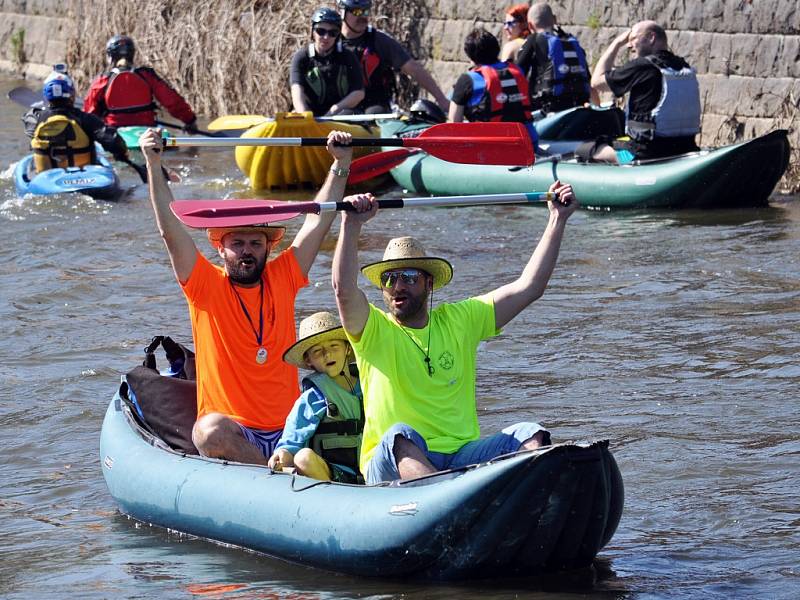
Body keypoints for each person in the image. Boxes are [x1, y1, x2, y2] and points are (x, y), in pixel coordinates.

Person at [332, 182, 578, 484]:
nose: (398, 286)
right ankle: (448, 499)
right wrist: (350, 223)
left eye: (409, 277)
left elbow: (529, 288)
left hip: (461, 458)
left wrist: (557, 219)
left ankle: (523, 504)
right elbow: (343, 290)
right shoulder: (372, 328)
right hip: (389, 463)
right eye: (390, 278)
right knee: (400, 435)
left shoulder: (459, 319)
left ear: (429, 283)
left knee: (530, 433)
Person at [138, 127, 358, 465]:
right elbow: (170, 230)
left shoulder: (282, 276)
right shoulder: (203, 285)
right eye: (237, 243)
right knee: (207, 431)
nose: (246, 251)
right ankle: (271, 477)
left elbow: (319, 220)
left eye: (255, 243)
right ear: (220, 249)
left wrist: (340, 164)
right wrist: (153, 164)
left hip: (292, 427)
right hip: (237, 433)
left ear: (268, 247)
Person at [586, 20, 701, 163]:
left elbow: (596, 82)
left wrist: (617, 43)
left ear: (651, 37)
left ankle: (617, 161)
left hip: (647, 152)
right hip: (686, 147)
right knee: (620, 140)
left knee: (589, 149)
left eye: (633, 38)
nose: (629, 45)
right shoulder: (684, 66)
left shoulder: (642, 66)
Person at [268, 311, 363, 483]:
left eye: (334, 346)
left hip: (374, 468)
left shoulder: (370, 382)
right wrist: (282, 455)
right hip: (336, 475)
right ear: (309, 361)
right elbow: (291, 441)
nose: (328, 354)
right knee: (303, 458)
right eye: (318, 351)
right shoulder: (312, 398)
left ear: (348, 348)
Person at [337, 0, 449, 114]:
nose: (362, 16)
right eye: (357, 12)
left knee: (374, 113)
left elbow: (413, 69)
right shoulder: (330, 38)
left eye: (365, 12)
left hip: (375, 103)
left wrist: (442, 100)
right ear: (342, 12)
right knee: (344, 114)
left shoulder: (379, 40)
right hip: (343, 103)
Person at [23, 71, 130, 174]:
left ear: (46, 96)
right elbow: (113, 141)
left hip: (47, 178)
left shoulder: (33, 118)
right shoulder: (87, 119)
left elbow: (31, 136)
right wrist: (121, 154)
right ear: (72, 94)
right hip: (85, 176)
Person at [84, 35, 198, 131]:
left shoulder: (102, 80)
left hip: (114, 131)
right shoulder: (147, 75)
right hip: (147, 129)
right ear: (132, 54)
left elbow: (89, 113)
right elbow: (172, 101)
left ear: (110, 56)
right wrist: (190, 121)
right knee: (169, 144)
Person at [448, 28, 534, 128]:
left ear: (470, 56)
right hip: (526, 140)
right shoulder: (518, 71)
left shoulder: (467, 80)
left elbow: (453, 124)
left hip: (488, 140)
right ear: (497, 50)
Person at [516, 2, 592, 114]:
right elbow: (587, 77)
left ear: (530, 25)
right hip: (578, 104)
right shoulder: (572, 42)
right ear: (554, 20)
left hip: (548, 108)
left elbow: (517, 73)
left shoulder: (534, 40)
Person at [290, 7, 365, 116]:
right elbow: (297, 92)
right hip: (310, 113)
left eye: (332, 33)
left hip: (341, 113)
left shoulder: (348, 56)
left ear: (338, 35)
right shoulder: (301, 58)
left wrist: (334, 110)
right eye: (321, 31)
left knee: (348, 114)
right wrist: (306, 117)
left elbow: (359, 93)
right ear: (313, 32)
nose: (326, 37)